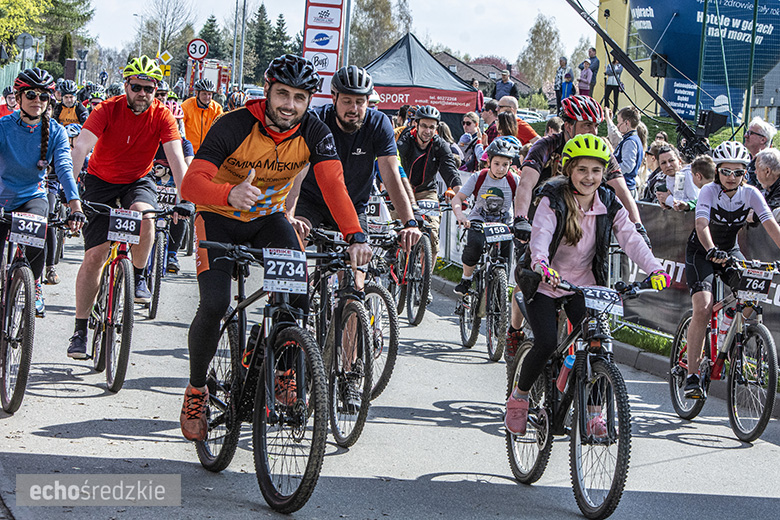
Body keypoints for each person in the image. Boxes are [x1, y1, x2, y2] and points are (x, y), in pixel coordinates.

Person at [177, 54, 372, 442]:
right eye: (282, 93)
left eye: (299, 97)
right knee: (215, 305)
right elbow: (190, 185)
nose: (289, 105)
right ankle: (197, 390)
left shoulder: (315, 133)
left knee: (296, 298)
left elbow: (333, 185)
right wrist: (229, 193)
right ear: (266, 91)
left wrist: (356, 235)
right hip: (218, 217)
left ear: (309, 101)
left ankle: (283, 367)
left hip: (267, 221)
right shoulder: (232, 125)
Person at [505, 134, 669, 435]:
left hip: (585, 286)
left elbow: (630, 238)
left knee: (599, 345)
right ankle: (520, 396)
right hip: (545, 282)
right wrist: (540, 264)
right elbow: (541, 234)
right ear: (569, 170)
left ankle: (595, 416)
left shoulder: (608, 200)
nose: (589, 177)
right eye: (582, 170)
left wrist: (655, 268)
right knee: (545, 342)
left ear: (603, 173)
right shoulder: (552, 198)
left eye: (596, 170)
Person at [508, 95, 650, 361]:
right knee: (528, 277)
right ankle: (515, 331)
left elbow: (621, 190)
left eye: (596, 126)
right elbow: (526, 183)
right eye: (587, 125)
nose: (594, 132)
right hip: (541, 220)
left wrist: (638, 225)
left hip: (577, 223)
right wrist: (520, 219)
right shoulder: (546, 145)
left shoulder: (599, 148)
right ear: (568, 126)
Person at [67, 56, 192, 359]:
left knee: (145, 214)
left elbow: (176, 159)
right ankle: (80, 330)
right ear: (126, 86)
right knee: (95, 255)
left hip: (138, 179)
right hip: (101, 181)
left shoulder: (163, 116)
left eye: (149, 89)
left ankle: (138, 275)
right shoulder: (106, 109)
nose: (143, 94)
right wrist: (69, 193)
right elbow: (81, 146)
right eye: (136, 87)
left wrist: (185, 198)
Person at [292, 64, 420, 263]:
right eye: (347, 101)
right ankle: (285, 294)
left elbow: (391, 173)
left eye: (360, 102)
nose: (354, 109)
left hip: (352, 205)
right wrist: (289, 215)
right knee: (292, 242)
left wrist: (409, 222)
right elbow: (298, 170)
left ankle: (350, 294)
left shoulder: (379, 123)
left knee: (355, 273)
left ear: (368, 100)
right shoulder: (316, 120)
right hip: (311, 202)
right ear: (334, 98)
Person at [682, 141, 780, 398]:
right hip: (702, 252)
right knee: (702, 307)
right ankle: (692, 375)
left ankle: (727, 322)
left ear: (745, 174)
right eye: (726, 171)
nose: (731, 177)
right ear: (718, 171)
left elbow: (771, 226)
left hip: (730, 250)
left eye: (738, 172)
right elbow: (702, 224)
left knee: (752, 294)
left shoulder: (751, 194)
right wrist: (712, 249)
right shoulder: (708, 191)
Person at [0, 68, 85, 317]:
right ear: (18, 97)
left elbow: (65, 169)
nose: (37, 101)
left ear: (50, 100)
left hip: (31, 197)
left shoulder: (57, 132)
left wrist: (75, 205)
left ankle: (35, 285)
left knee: (39, 226)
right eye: (30, 94)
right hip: (2, 197)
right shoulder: (4, 126)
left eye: (43, 96)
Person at [452, 138, 520, 296]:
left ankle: (499, 298)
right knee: (474, 245)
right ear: (489, 162)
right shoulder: (479, 177)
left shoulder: (514, 180)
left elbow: (524, 203)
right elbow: (458, 198)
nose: (501, 169)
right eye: (497, 164)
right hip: (480, 221)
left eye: (505, 164)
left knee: (506, 260)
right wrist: (461, 215)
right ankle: (466, 279)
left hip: (504, 225)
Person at [397, 105, 462, 259]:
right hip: (402, 190)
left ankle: (426, 281)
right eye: (424, 126)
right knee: (398, 230)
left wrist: (460, 194)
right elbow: (394, 162)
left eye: (432, 127)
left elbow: (450, 170)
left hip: (427, 191)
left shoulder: (439, 144)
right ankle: (394, 259)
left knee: (432, 233)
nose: (427, 131)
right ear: (416, 124)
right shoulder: (406, 139)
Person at [153, 99, 195, 273]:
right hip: (154, 184)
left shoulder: (185, 144)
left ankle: (172, 254)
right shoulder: (154, 139)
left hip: (175, 186)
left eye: (177, 122)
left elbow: (189, 165)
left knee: (180, 216)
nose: (173, 125)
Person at [606, 106, 643, 197]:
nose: (617, 126)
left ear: (627, 123)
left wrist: (610, 171)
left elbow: (628, 165)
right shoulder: (631, 139)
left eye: (619, 122)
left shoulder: (630, 141)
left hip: (626, 188)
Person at [181, 78, 224, 154]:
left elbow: (220, 130)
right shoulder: (186, 106)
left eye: (209, 94)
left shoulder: (217, 108)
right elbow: (180, 129)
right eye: (204, 93)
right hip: (189, 152)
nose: (207, 97)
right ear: (197, 93)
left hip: (208, 151)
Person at [743, 116, 776, 186]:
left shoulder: (769, 163)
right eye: (747, 132)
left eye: (750, 133)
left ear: (763, 140)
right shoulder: (747, 159)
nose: (745, 135)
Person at [755, 147, 780, 217]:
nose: (755, 172)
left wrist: (754, 216)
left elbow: (772, 209)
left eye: (757, 169)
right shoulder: (765, 186)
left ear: (767, 171)